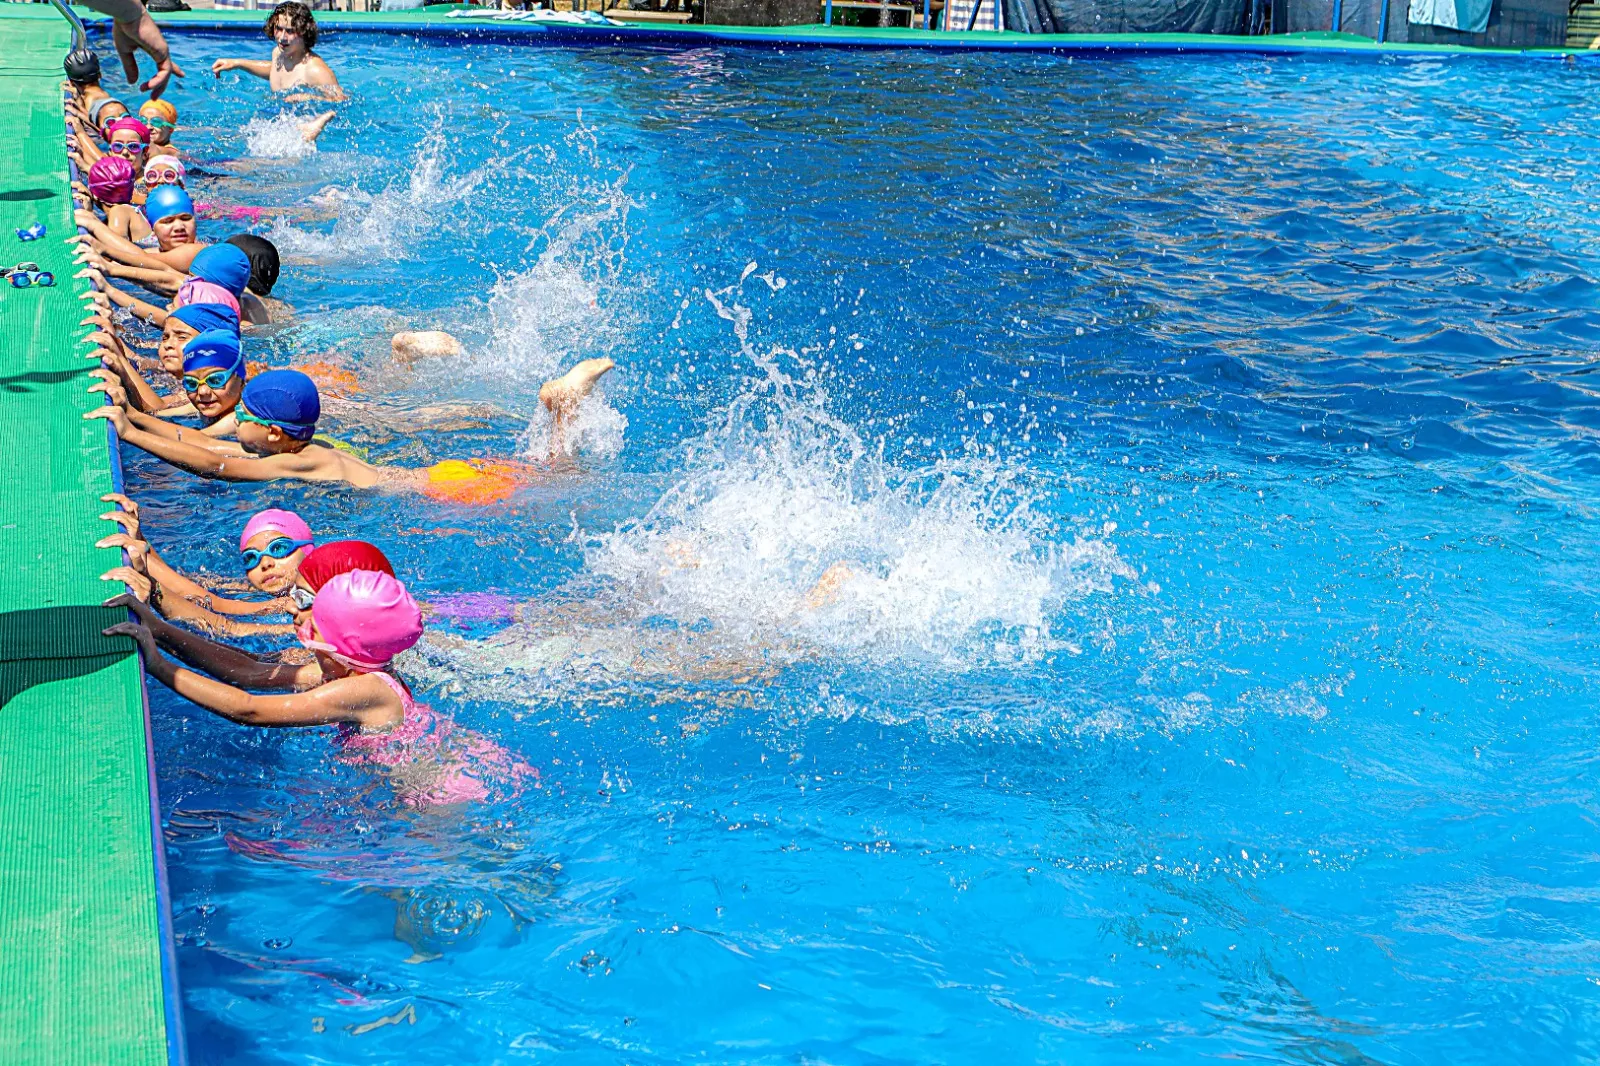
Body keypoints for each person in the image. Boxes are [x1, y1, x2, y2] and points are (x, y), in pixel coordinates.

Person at [104, 565, 532, 809]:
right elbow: (249, 670)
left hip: (440, 798)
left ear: (341, 646)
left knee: (405, 903)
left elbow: (249, 709)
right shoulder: (358, 672)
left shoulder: (364, 691)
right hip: (435, 780)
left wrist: (157, 666)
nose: (303, 634)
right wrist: (160, 630)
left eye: (315, 634)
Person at [86, 359, 617, 501]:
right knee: (546, 473)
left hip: (450, 490)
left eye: (240, 418)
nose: (230, 426)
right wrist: (137, 418)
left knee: (558, 482)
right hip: (441, 476)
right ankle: (561, 411)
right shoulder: (307, 447)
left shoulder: (295, 460)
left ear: (273, 434)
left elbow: (215, 462)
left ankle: (562, 410)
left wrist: (132, 435)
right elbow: (203, 442)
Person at [97, 499, 307, 638]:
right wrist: (140, 541)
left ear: (307, 551)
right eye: (252, 558)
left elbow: (221, 613)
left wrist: (151, 583)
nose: (266, 563)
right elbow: (192, 591)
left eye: (279, 549)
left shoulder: (301, 602)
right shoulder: (253, 590)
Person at [212, 2, 347, 103]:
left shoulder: (315, 70)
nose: (282, 37)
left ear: (303, 32)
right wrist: (236, 63)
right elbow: (275, 70)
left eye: (289, 31)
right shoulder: (278, 53)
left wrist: (310, 98)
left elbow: (342, 102)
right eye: (279, 29)